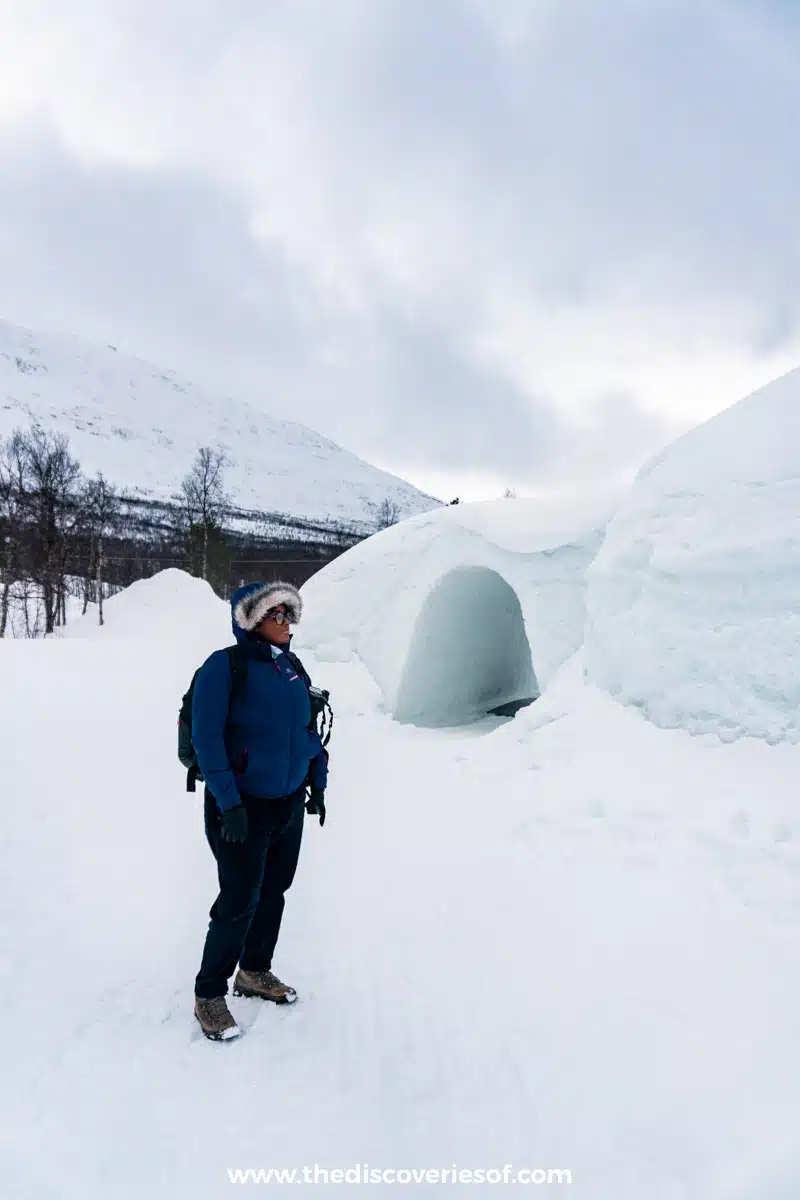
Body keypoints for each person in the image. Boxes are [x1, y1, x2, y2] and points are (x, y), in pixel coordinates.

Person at [191, 580, 328, 1041]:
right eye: (277, 615)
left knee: (274, 891)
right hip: (241, 807)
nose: (287, 624)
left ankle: (253, 971)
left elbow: (308, 731)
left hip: (287, 801)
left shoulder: (291, 667)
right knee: (237, 902)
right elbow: (206, 740)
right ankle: (209, 994)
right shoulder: (224, 667)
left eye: (290, 614)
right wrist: (228, 803)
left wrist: (317, 784)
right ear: (252, 620)